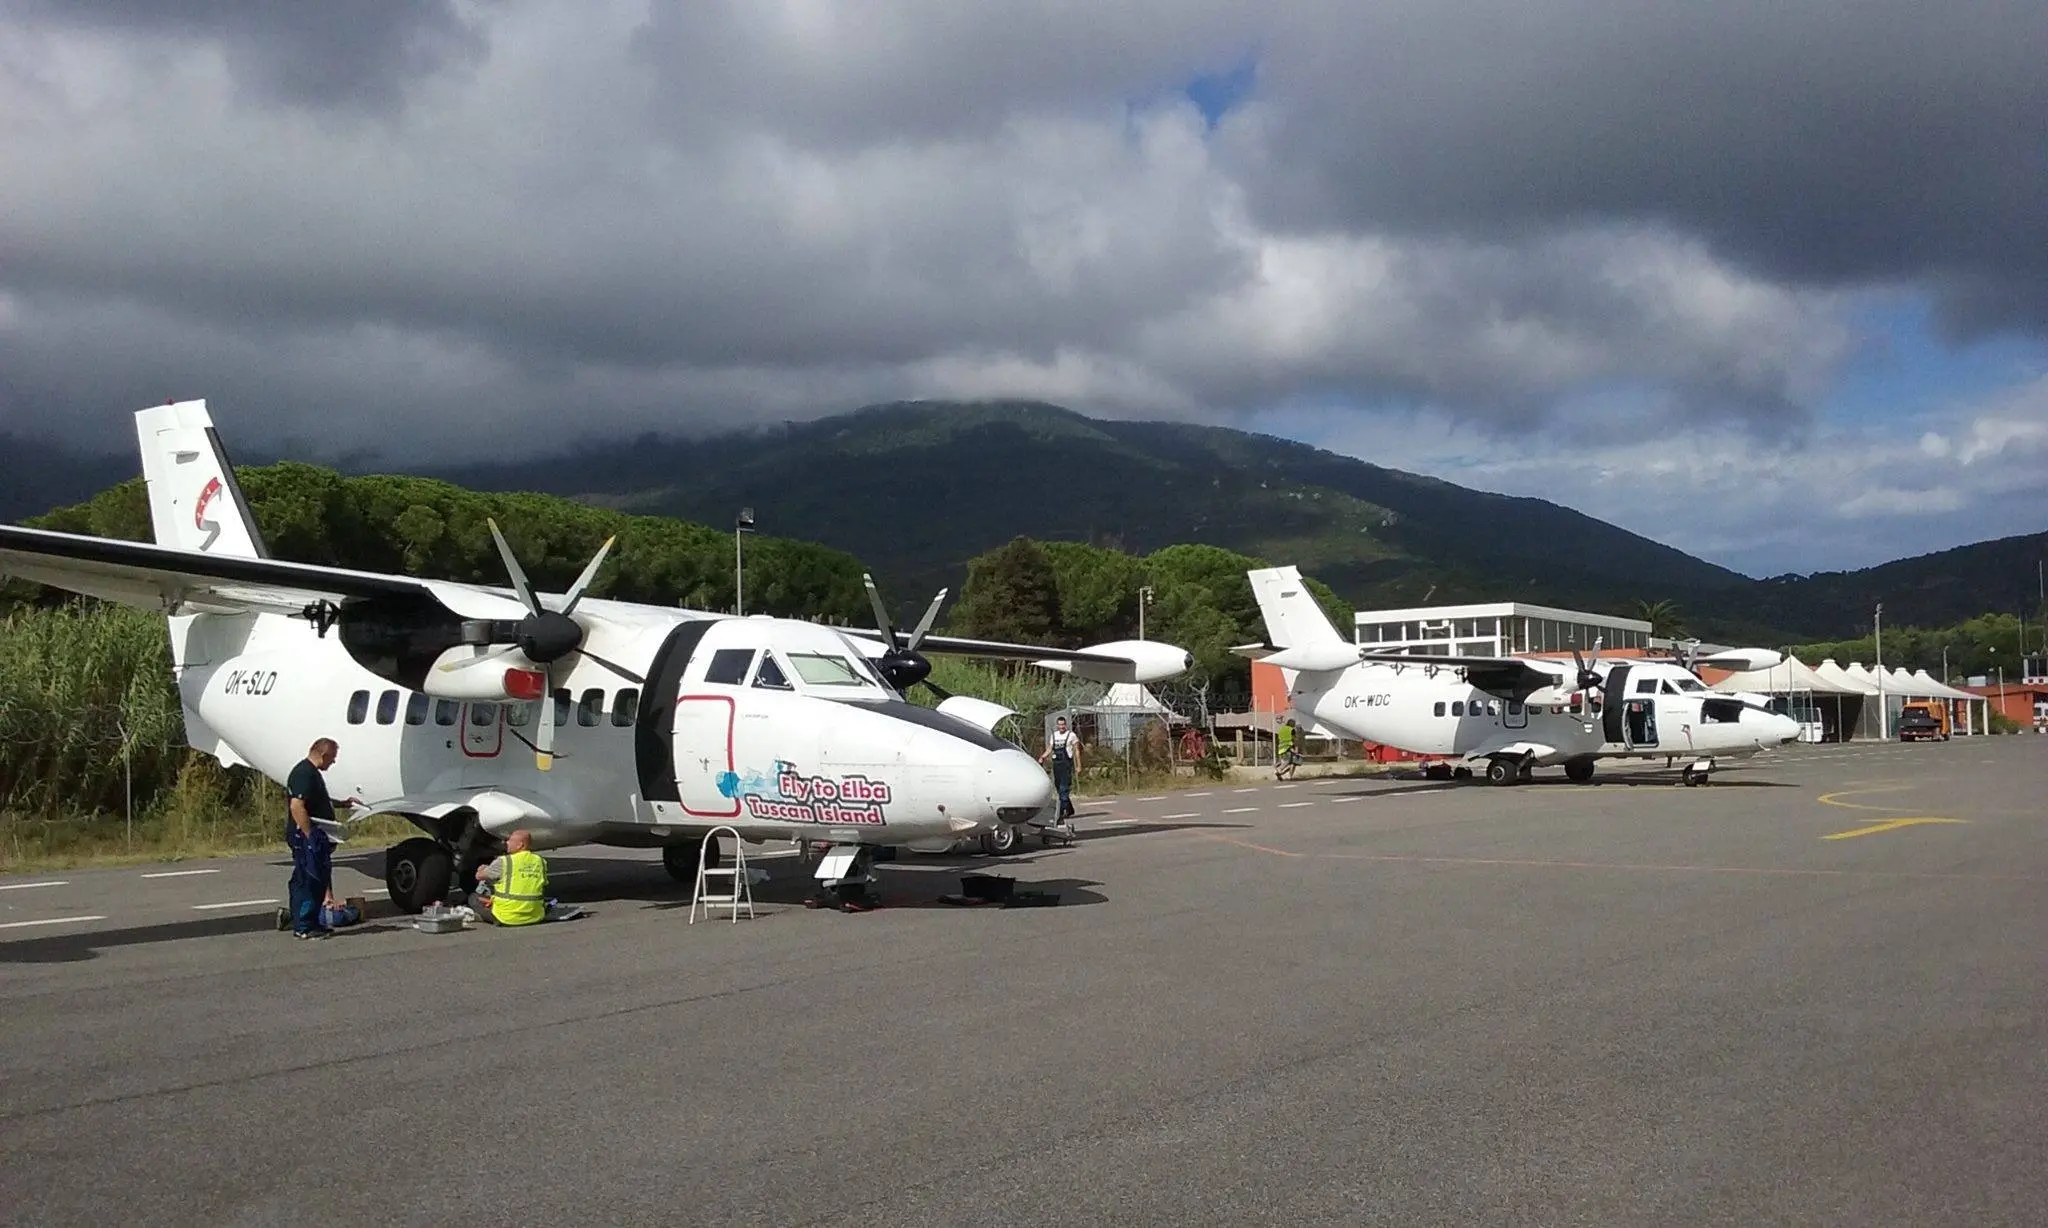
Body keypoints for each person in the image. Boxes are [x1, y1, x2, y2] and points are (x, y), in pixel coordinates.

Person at [284, 738, 341, 939]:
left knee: (318, 879)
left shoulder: (312, 774)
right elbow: (296, 806)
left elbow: (318, 799)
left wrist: (343, 803)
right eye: (332, 758)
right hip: (305, 837)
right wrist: (310, 835)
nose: (333, 762)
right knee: (308, 879)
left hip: (315, 835)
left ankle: (312, 920)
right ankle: (303, 926)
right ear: (323, 755)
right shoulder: (303, 773)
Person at [472, 829, 549, 926]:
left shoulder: (504, 861)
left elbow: (479, 876)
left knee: (473, 898)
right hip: (535, 915)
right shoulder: (540, 861)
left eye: (510, 840)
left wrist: (482, 869)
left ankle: (486, 916)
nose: (506, 842)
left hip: (506, 916)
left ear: (520, 845)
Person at [1039, 715, 1081, 827]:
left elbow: (1077, 750)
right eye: (1060, 725)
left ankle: (1061, 813)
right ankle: (1070, 809)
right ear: (1057, 725)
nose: (1061, 727)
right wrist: (1042, 757)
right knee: (1059, 788)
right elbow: (1050, 749)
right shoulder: (1054, 736)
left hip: (1066, 765)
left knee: (1064, 788)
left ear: (1066, 725)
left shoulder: (1071, 735)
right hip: (1056, 765)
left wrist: (1078, 765)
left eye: (1063, 725)